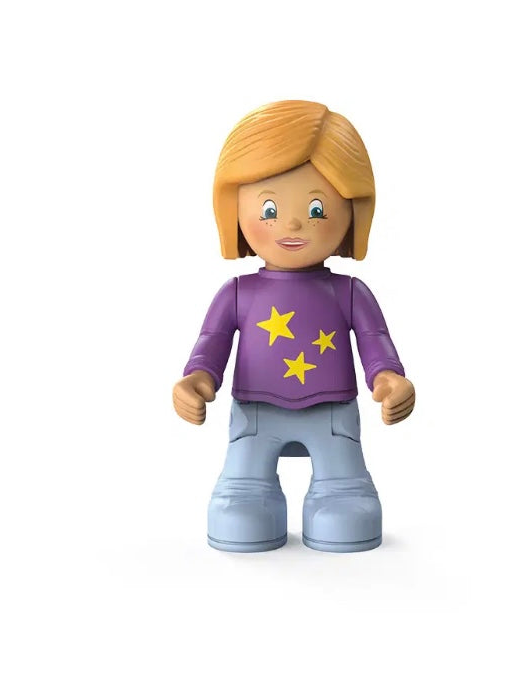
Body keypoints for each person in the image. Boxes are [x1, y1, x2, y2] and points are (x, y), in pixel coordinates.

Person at [173, 100, 415, 553]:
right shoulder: (237, 293)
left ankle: (341, 491)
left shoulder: (350, 292)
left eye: (317, 207)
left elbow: (375, 343)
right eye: (268, 209)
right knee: (240, 508)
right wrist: (197, 380)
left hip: (333, 415)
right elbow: (212, 345)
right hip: (255, 414)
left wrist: (388, 379)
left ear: (354, 210)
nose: (293, 222)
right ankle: (248, 491)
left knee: (346, 507)